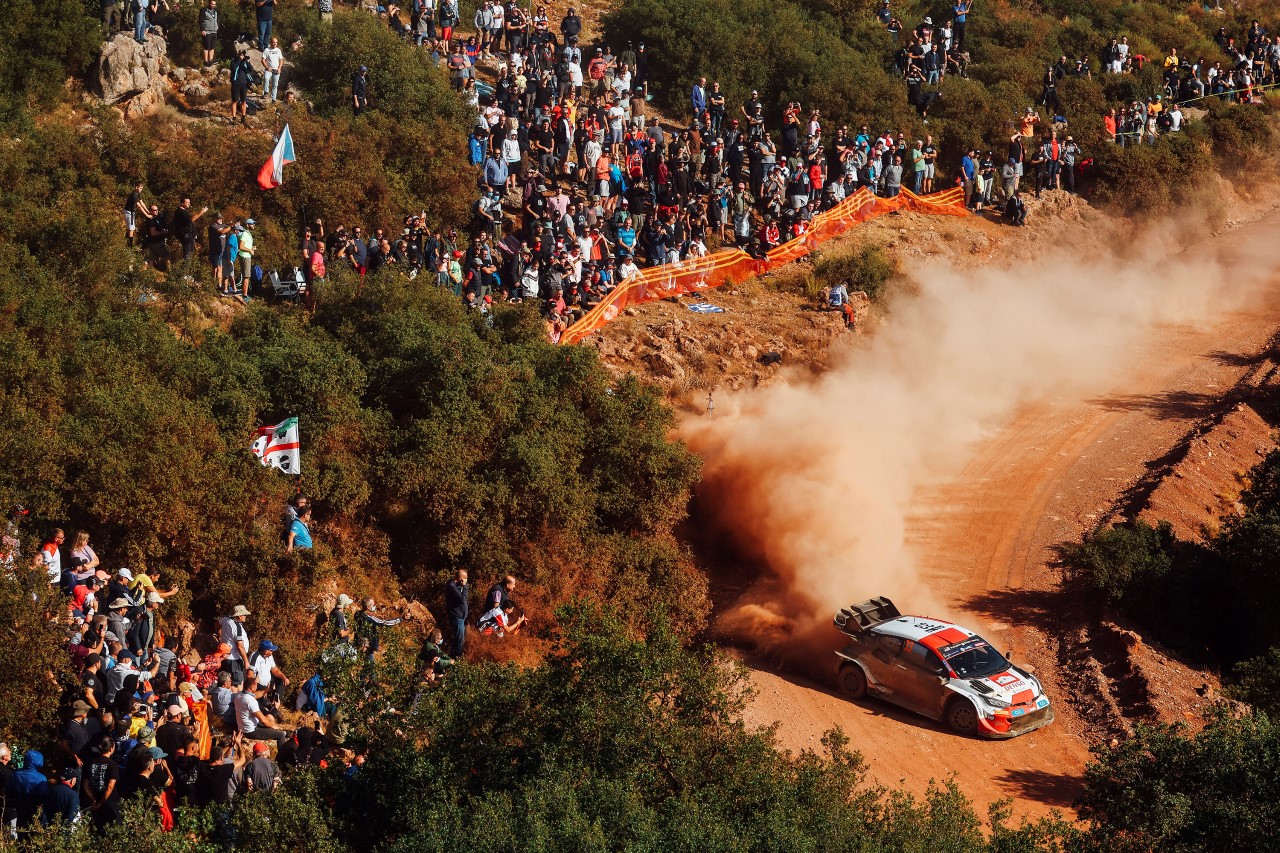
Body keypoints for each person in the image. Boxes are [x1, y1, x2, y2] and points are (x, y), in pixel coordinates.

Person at [234, 679, 288, 746]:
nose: (257, 687)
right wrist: (274, 726)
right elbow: (263, 720)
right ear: (251, 687)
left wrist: (267, 690)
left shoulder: (239, 695)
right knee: (280, 734)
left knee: (270, 718)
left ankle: (286, 733)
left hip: (243, 727)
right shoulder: (250, 700)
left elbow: (256, 695)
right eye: (256, 685)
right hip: (251, 731)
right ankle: (282, 752)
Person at [83, 737, 121, 829]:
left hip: (94, 800)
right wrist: (101, 802)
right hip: (110, 801)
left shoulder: (90, 763)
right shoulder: (112, 764)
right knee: (114, 828)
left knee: (98, 828)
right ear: (111, 748)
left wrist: (93, 799)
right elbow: (110, 786)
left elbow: (86, 785)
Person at [219, 605, 252, 685]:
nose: (245, 616)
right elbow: (240, 646)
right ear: (239, 616)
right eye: (244, 615)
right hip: (234, 659)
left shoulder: (226, 620)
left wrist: (219, 634)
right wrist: (246, 661)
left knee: (225, 682)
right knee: (237, 684)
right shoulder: (237, 627)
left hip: (225, 656)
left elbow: (217, 623)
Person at [444, 568, 469, 657]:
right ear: (460, 578)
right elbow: (461, 599)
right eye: (465, 578)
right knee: (459, 639)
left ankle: (454, 656)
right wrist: (465, 587)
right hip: (456, 616)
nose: (466, 580)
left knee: (459, 638)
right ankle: (456, 658)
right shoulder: (452, 586)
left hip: (462, 616)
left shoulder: (458, 586)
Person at [262, 36, 284, 103]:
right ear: (271, 42)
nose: (275, 44)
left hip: (276, 70)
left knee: (275, 85)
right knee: (266, 78)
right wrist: (267, 67)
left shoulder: (278, 50)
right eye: (273, 42)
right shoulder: (267, 50)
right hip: (269, 69)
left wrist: (279, 68)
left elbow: (281, 60)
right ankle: (266, 92)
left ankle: (273, 99)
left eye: (276, 42)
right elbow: (263, 60)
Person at [199, 0, 218, 66]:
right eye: (212, 4)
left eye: (214, 4)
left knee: (212, 47)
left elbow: (215, 20)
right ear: (209, 3)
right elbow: (201, 21)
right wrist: (202, 30)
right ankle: (206, 61)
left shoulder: (215, 12)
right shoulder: (204, 11)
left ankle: (211, 60)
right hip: (207, 32)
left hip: (214, 32)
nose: (213, 5)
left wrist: (217, 26)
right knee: (206, 47)